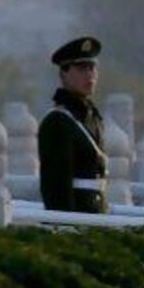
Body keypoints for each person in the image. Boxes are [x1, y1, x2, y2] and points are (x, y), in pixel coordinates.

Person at [38, 36, 108, 213]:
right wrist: (66, 229)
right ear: (64, 73)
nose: (89, 74)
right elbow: (56, 189)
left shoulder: (93, 117)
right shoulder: (58, 121)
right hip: (75, 219)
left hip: (96, 214)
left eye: (92, 68)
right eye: (81, 68)